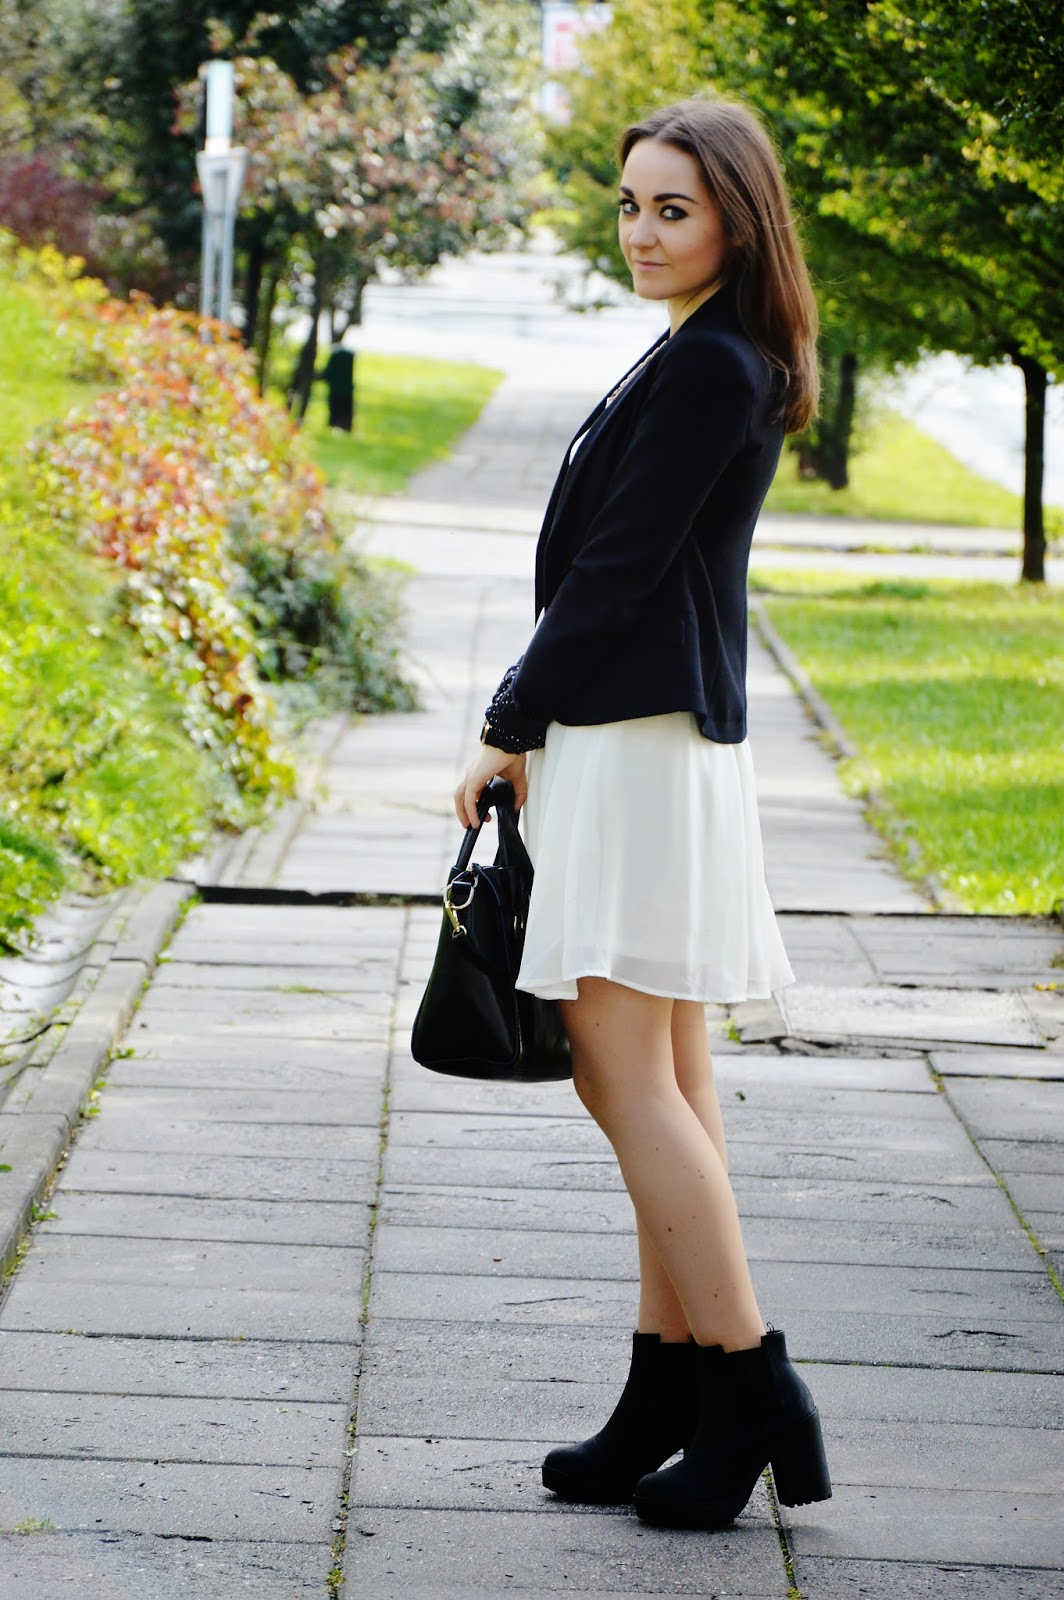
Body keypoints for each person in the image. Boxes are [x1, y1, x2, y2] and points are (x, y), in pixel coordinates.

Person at [454, 97, 832, 1531]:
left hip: (634, 742)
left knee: (621, 1079)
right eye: (630, 204)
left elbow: (614, 571)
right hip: (646, 742)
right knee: (667, 1073)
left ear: (739, 218)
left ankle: (751, 1385)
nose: (643, 231)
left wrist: (508, 722)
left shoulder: (712, 365)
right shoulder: (703, 352)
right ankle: (668, 1386)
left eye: (674, 208)